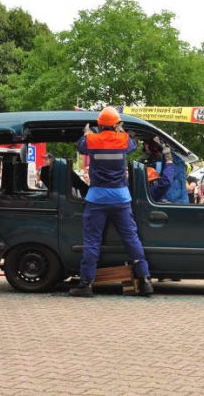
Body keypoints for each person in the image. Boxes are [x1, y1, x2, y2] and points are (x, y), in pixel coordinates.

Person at [68, 106, 153, 297]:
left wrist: (87, 132)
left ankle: (86, 284)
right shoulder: (123, 139)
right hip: (121, 197)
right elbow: (132, 145)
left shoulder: (91, 139)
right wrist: (120, 130)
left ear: (99, 124)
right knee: (131, 239)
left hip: (97, 197)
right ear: (116, 125)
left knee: (92, 241)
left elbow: (80, 145)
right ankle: (145, 280)